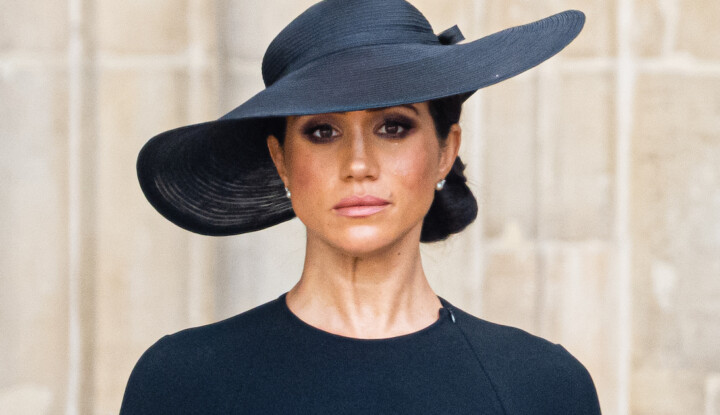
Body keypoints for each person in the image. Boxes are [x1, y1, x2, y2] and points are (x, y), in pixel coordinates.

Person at [121, 0, 601, 413]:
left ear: (445, 151)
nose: (358, 164)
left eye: (393, 127)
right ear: (282, 161)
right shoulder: (182, 381)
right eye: (322, 131)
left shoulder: (541, 387)